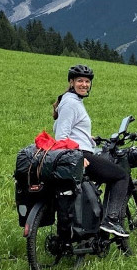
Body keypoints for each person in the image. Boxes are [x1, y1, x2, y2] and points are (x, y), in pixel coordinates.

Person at [53, 64, 129, 238]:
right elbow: (61, 137)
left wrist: (89, 138)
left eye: (87, 81)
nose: (84, 84)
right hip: (78, 156)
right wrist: (78, 156)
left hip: (80, 151)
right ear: (71, 82)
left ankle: (93, 225)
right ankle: (111, 220)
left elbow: (72, 130)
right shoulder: (71, 103)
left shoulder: (72, 100)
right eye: (80, 80)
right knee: (121, 175)